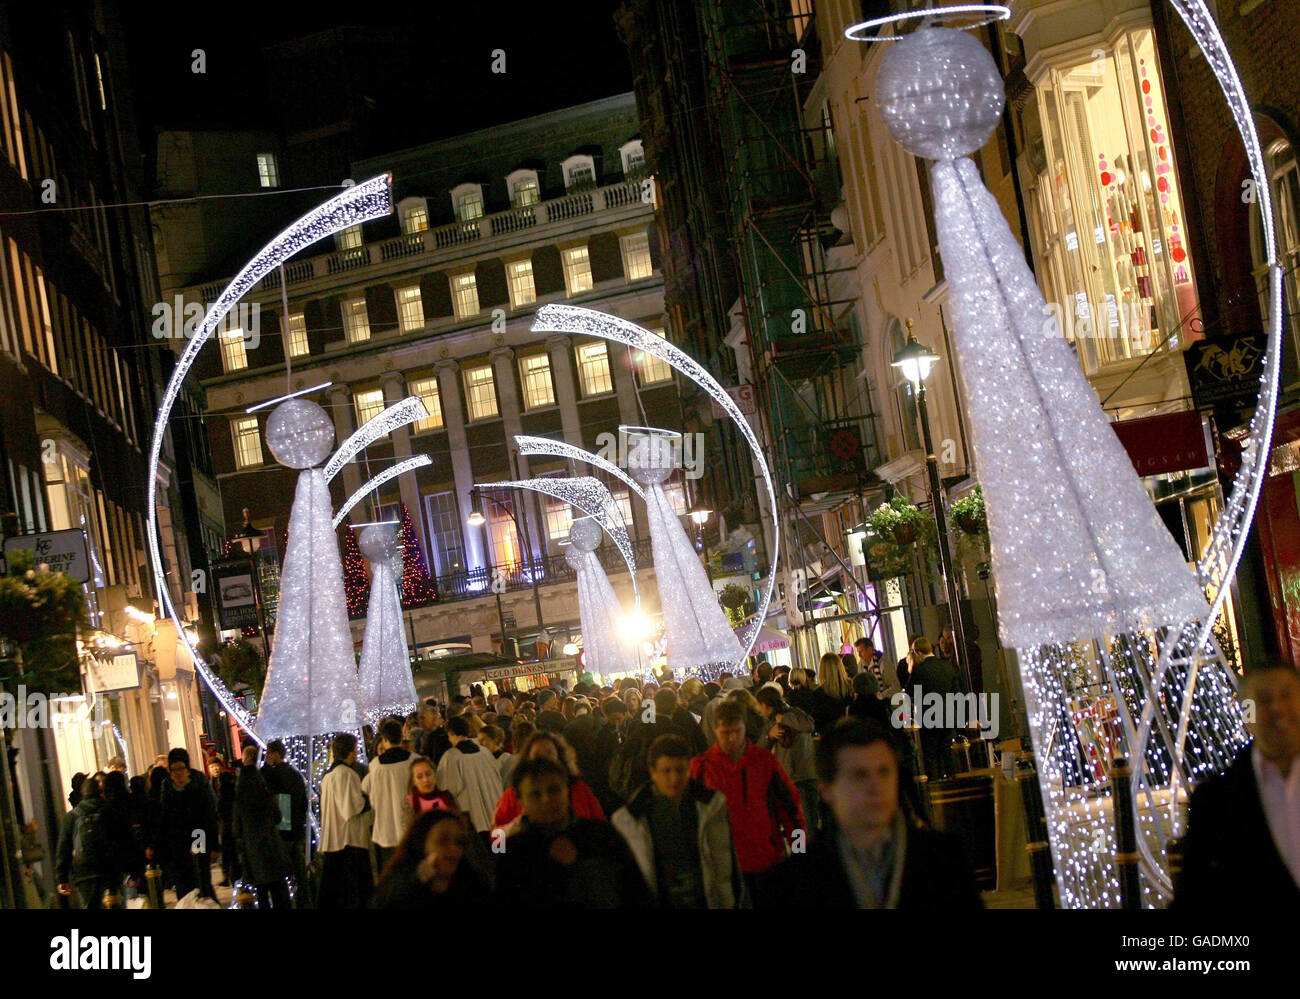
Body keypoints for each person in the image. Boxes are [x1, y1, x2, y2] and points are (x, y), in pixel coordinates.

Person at [760, 719, 983, 909]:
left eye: (884, 772)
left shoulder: (943, 860)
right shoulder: (798, 880)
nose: (875, 786)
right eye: (859, 775)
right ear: (827, 789)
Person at [1175, 661, 1300, 907]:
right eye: (1263, 700)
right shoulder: (1215, 802)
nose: (1277, 708)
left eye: (1286, 695)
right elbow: (1194, 894)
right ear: (1247, 714)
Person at [493, 757, 652, 908]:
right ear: (521, 801)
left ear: (567, 791)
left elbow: (635, 892)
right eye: (536, 794)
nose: (546, 800)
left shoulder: (601, 836)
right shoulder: (515, 853)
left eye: (553, 790)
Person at [612, 734, 745, 908]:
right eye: (666, 771)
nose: (674, 778)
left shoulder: (712, 806)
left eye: (680, 770)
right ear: (653, 772)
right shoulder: (630, 819)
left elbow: (728, 863)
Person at [690, 700, 804, 897]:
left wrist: (799, 852)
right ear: (716, 730)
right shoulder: (701, 767)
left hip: (766, 862)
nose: (733, 738)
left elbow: (790, 808)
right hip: (722, 868)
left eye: (737, 731)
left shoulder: (765, 761)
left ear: (744, 727)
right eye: (726, 733)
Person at [371, 810, 490, 909]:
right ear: (421, 843)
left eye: (459, 842)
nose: (453, 849)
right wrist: (416, 882)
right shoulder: (397, 887)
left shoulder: (472, 885)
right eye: (443, 840)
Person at [493, 730, 604, 830]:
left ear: (559, 756)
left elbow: (600, 826)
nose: (543, 759)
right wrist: (514, 830)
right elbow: (496, 838)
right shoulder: (514, 794)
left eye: (549, 753)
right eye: (537, 754)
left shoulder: (578, 789)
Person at [150, 748, 219, 902]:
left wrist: (214, 846)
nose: (177, 773)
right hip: (178, 841)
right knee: (182, 883)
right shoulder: (167, 786)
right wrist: (158, 846)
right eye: (173, 770)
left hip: (198, 835)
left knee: (201, 879)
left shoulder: (198, 782)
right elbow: (164, 818)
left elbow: (208, 817)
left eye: (180, 768)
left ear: (187, 768)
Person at [56, 773, 133, 908]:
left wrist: (62, 877)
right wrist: (133, 869)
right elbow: (126, 841)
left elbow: (64, 848)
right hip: (110, 873)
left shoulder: (72, 817)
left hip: (84, 875)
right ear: (100, 791)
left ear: (82, 793)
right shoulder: (111, 811)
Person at [755, 685, 819, 839]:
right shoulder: (770, 724)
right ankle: (803, 855)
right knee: (801, 824)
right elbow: (760, 749)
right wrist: (769, 736)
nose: (758, 709)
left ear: (765, 704)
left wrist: (783, 719)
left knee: (808, 823)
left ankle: (807, 856)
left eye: (759, 705)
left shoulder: (793, 714)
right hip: (794, 777)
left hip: (800, 775)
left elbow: (809, 725)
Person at [233, 744, 293, 909]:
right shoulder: (264, 787)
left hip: (252, 850)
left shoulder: (240, 793)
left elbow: (236, 828)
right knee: (279, 890)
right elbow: (278, 817)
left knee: (261, 892)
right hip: (271, 844)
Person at [319, 733, 374, 909]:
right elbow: (351, 808)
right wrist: (367, 798)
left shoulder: (328, 777)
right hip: (349, 842)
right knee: (354, 893)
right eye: (355, 749)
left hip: (333, 841)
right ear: (350, 752)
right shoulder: (347, 775)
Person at [436, 715, 503, 844]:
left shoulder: (451, 757)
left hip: (474, 824)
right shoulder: (485, 752)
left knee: (481, 860)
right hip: (496, 818)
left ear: (451, 733)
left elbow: (447, 791)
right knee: (500, 855)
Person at [362, 718, 415, 872]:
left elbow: (366, 789)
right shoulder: (414, 761)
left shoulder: (375, 766)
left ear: (384, 739)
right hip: (411, 827)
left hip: (386, 829)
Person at [262, 739, 309, 903]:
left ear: (274, 754)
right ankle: (304, 900)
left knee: (280, 872)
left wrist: (267, 766)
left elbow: (264, 784)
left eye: (268, 753)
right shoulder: (295, 774)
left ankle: (286, 902)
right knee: (300, 870)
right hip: (296, 826)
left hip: (282, 828)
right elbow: (303, 803)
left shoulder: (272, 774)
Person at [910, 637, 958, 781]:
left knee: (931, 754)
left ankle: (937, 787)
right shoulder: (946, 665)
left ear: (917, 652)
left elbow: (910, 693)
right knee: (948, 751)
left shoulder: (919, 669)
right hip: (949, 715)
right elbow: (955, 690)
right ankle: (953, 782)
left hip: (928, 716)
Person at [810, 652, 853, 733]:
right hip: (852, 735)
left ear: (822, 670)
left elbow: (817, 723)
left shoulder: (819, 694)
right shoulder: (851, 687)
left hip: (831, 738)